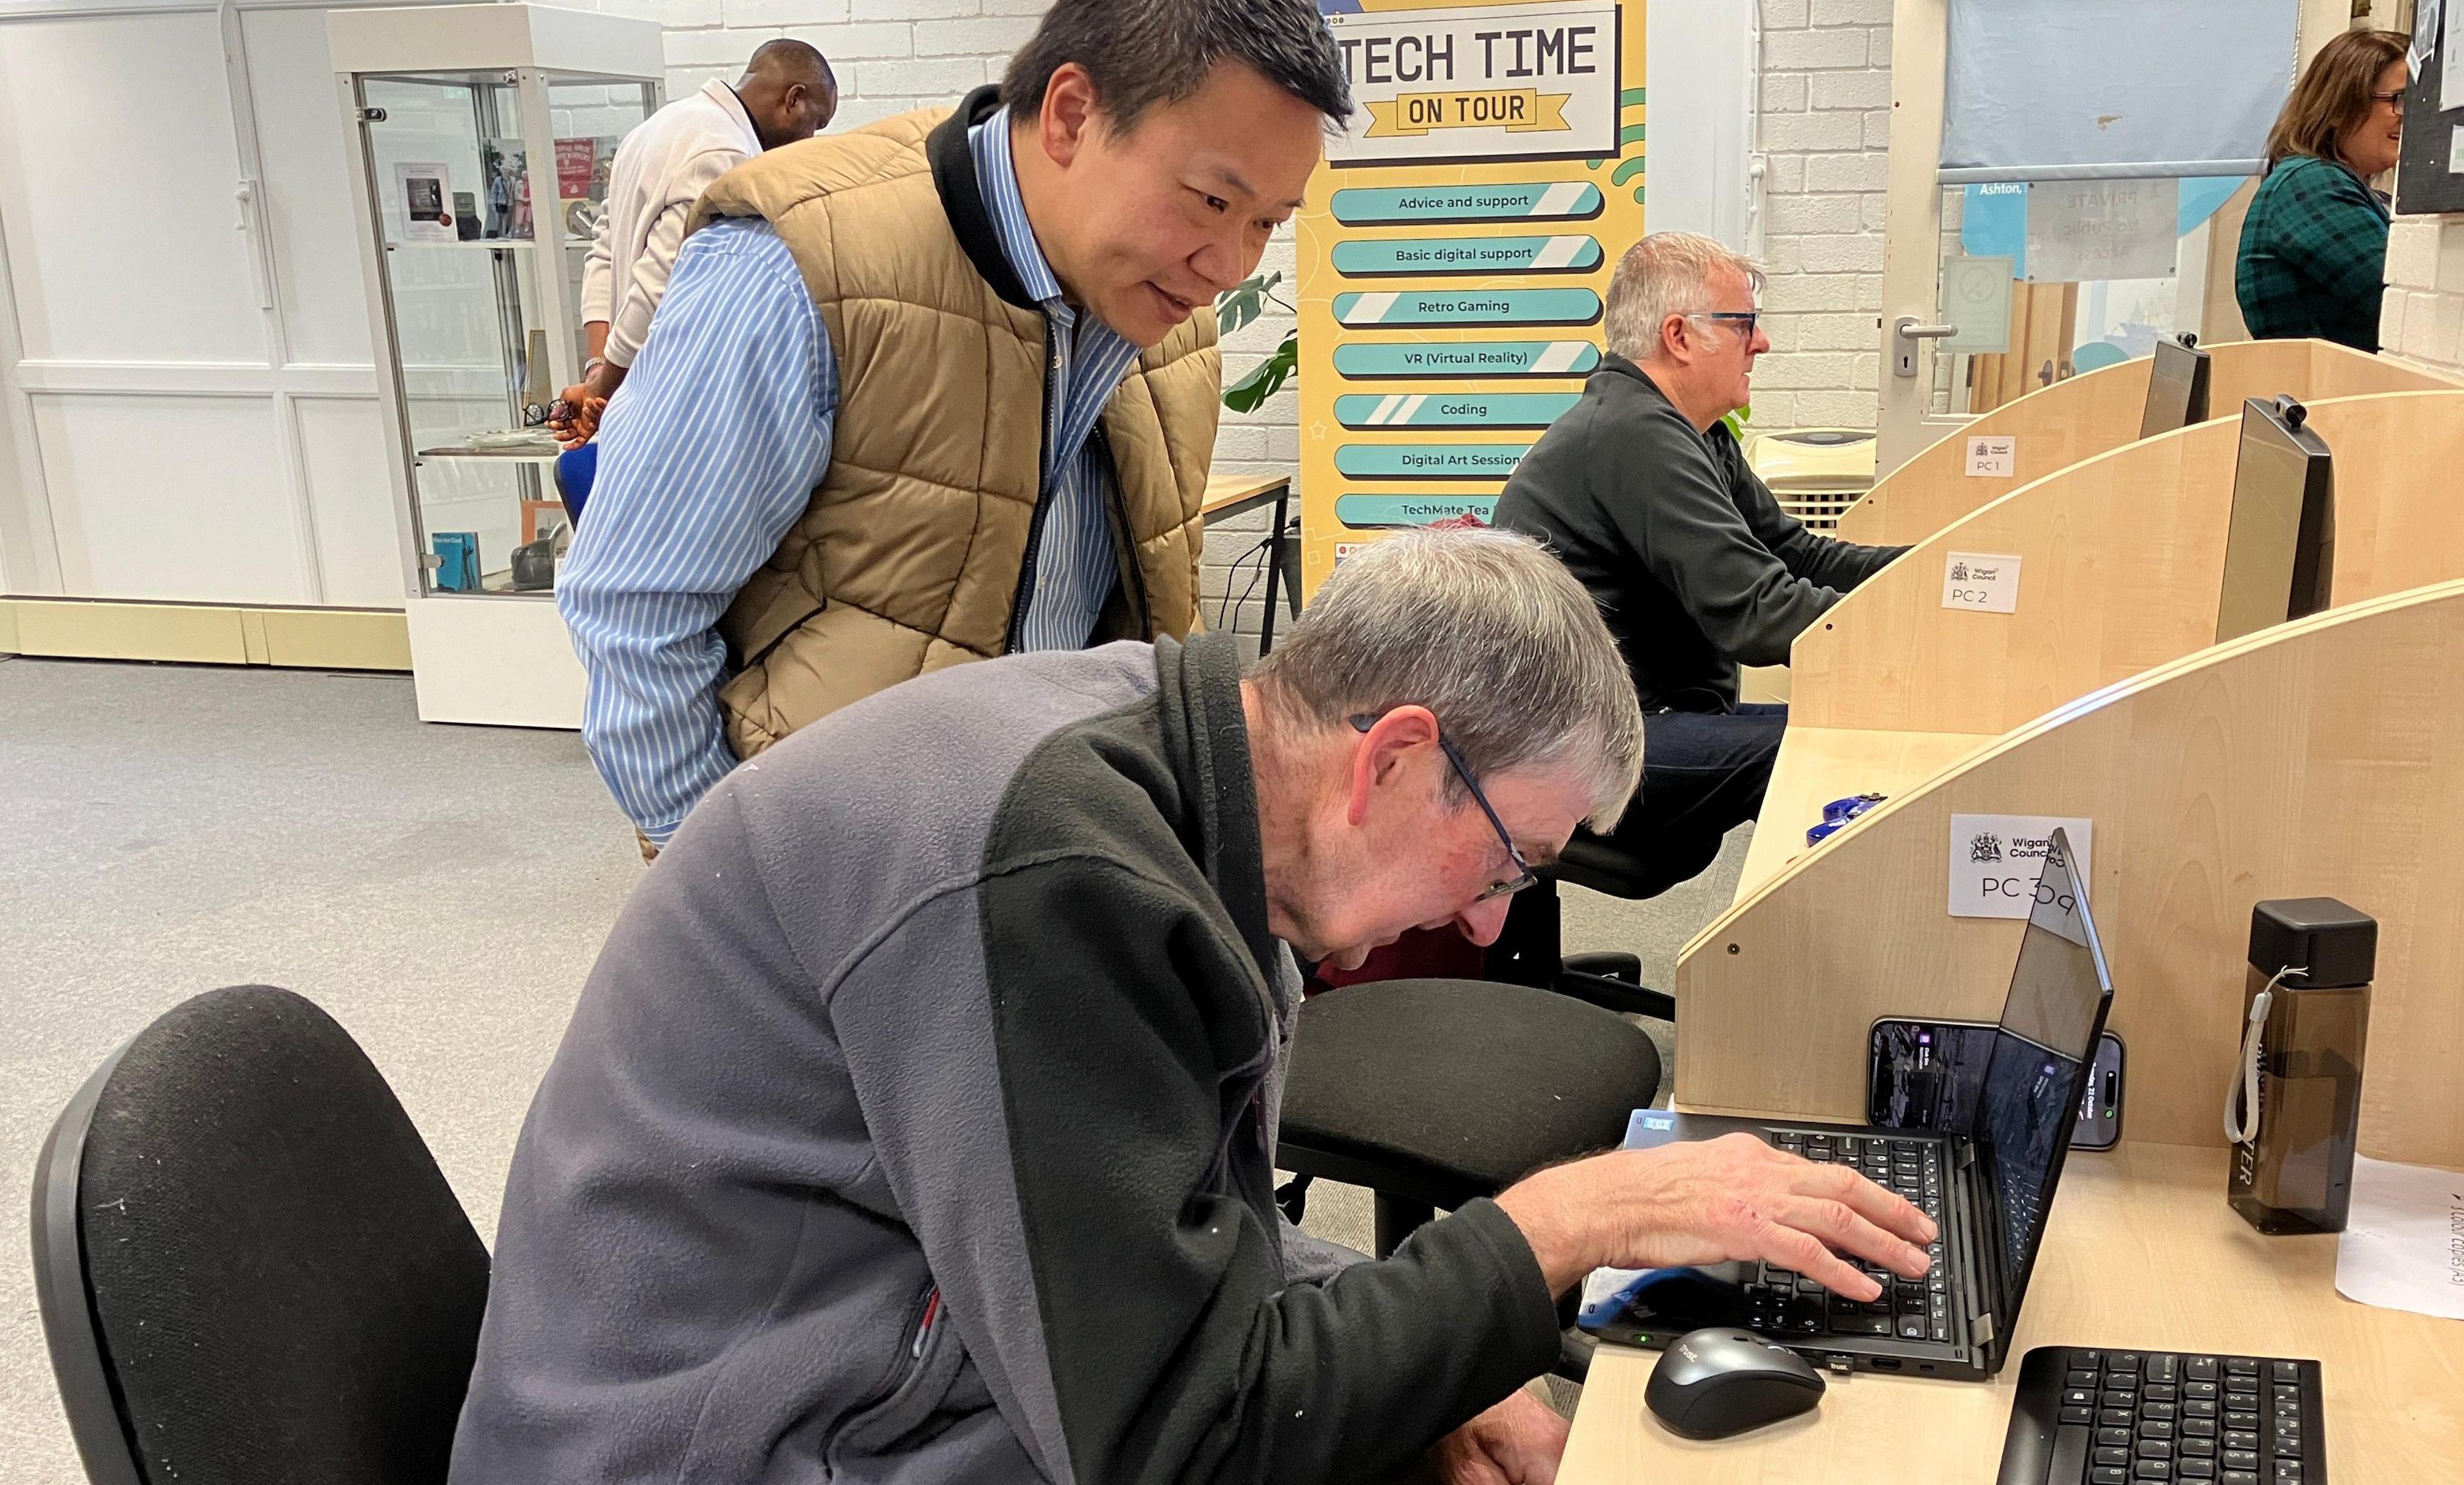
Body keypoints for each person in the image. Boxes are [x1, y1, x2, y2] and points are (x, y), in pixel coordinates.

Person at [448, 529, 1942, 1485]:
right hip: (712, 1440)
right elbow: (1178, 1443)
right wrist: (1567, 1226)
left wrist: (1411, 1358)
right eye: (1508, 859)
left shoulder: (1184, 756)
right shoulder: (1062, 875)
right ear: (1397, 760)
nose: (1493, 920)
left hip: (886, 1339)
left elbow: (1174, 1236)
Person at [555, 0, 1346, 859]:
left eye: (1268, 223)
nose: (1230, 267)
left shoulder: (1162, 303)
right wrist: (749, 900)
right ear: (1072, 116)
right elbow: (633, 609)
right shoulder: (801, 269)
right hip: (834, 879)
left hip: (1051, 871)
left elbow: (1143, 620)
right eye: (1213, 200)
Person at [1493, 231, 1908, 887]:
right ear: (1681, 336)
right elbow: (1759, 614)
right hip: (1581, 745)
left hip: (1643, 717)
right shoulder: (1634, 432)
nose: (1761, 344)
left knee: (1849, 729)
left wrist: (1935, 573)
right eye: (1744, 324)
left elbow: (1797, 553)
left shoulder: (1694, 433)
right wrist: (1929, 632)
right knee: (1820, 749)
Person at [555, 40, 839, 444]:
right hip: (662, 402)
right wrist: (605, 390)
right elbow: (658, 288)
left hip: (629, 391)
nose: (809, 139)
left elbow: (603, 254)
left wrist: (598, 371)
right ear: (794, 99)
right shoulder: (726, 155)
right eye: (817, 123)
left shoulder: (659, 125)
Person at [2235, 29, 2411, 354]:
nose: (2411, 115)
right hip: (2330, 398)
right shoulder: (2310, 185)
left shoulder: (2335, 186)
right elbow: (2405, 308)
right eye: (2399, 100)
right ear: (2340, 107)